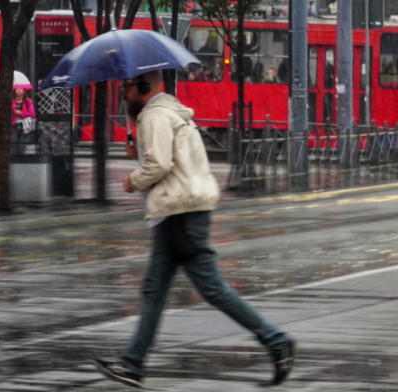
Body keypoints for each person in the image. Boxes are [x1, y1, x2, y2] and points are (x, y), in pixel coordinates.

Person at [92, 70, 297, 388]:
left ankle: (276, 341)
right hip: (181, 211)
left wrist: (133, 179)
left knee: (211, 289)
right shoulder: (173, 113)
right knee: (153, 290)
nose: (123, 94)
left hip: (180, 214)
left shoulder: (154, 116)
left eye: (127, 88)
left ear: (144, 87)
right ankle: (132, 364)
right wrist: (140, 155)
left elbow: (159, 166)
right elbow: (170, 160)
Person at [10, 87, 35, 155]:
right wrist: (13, 111)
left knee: (22, 143)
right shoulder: (12, 101)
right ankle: (14, 158)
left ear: (24, 91)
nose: (18, 90)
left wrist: (21, 113)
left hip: (25, 125)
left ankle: (20, 158)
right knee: (13, 141)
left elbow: (32, 114)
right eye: (17, 89)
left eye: (20, 89)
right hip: (14, 124)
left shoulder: (28, 101)